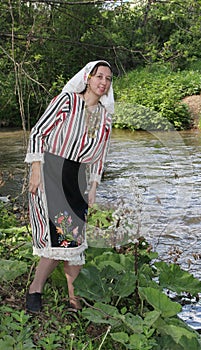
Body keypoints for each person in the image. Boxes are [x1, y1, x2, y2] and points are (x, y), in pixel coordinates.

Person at [25, 60, 114, 313]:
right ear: (88, 78)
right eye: (99, 76)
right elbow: (38, 132)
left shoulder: (105, 119)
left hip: (78, 178)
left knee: (74, 241)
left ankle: (73, 300)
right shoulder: (67, 102)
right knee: (60, 238)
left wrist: (94, 187)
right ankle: (35, 290)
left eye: (108, 79)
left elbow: (100, 156)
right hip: (51, 169)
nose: (103, 82)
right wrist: (34, 170)